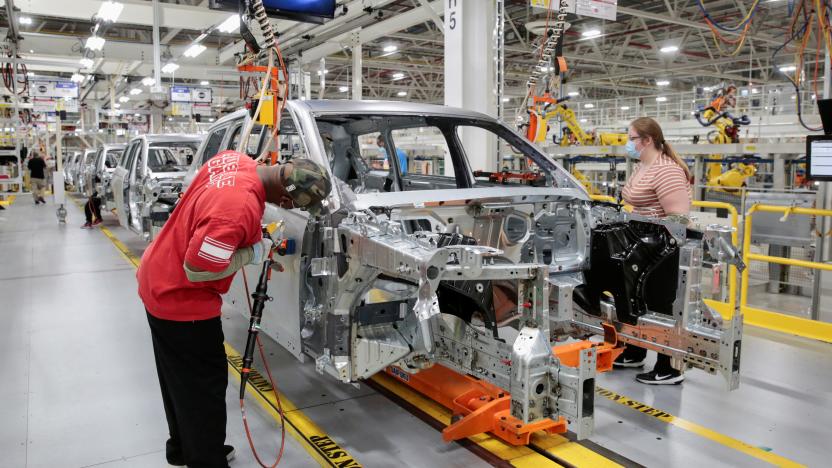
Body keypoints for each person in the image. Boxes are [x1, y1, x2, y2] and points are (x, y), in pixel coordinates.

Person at [137, 151, 332, 468]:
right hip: (180, 296)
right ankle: (206, 459)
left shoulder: (235, 160)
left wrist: (253, 238)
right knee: (204, 385)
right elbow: (197, 269)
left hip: (157, 274)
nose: (290, 209)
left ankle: (182, 449)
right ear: (284, 197)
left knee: (178, 377)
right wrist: (255, 252)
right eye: (295, 205)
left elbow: (209, 217)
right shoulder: (237, 207)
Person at [616, 117, 692, 385]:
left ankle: (669, 367)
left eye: (631, 138)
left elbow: (679, 218)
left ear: (647, 140)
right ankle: (635, 350)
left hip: (663, 251)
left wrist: (659, 249)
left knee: (661, 307)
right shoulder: (642, 166)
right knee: (637, 301)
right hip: (641, 246)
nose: (628, 143)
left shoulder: (667, 170)